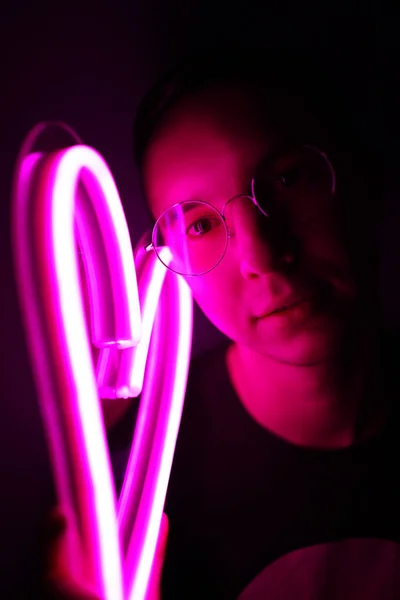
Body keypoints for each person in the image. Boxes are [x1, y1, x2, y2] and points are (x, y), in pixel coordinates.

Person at [46, 48, 400, 599]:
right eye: (201, 225)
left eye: (287, 179)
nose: (261, 255)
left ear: (366, 176)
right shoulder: (128, 476)